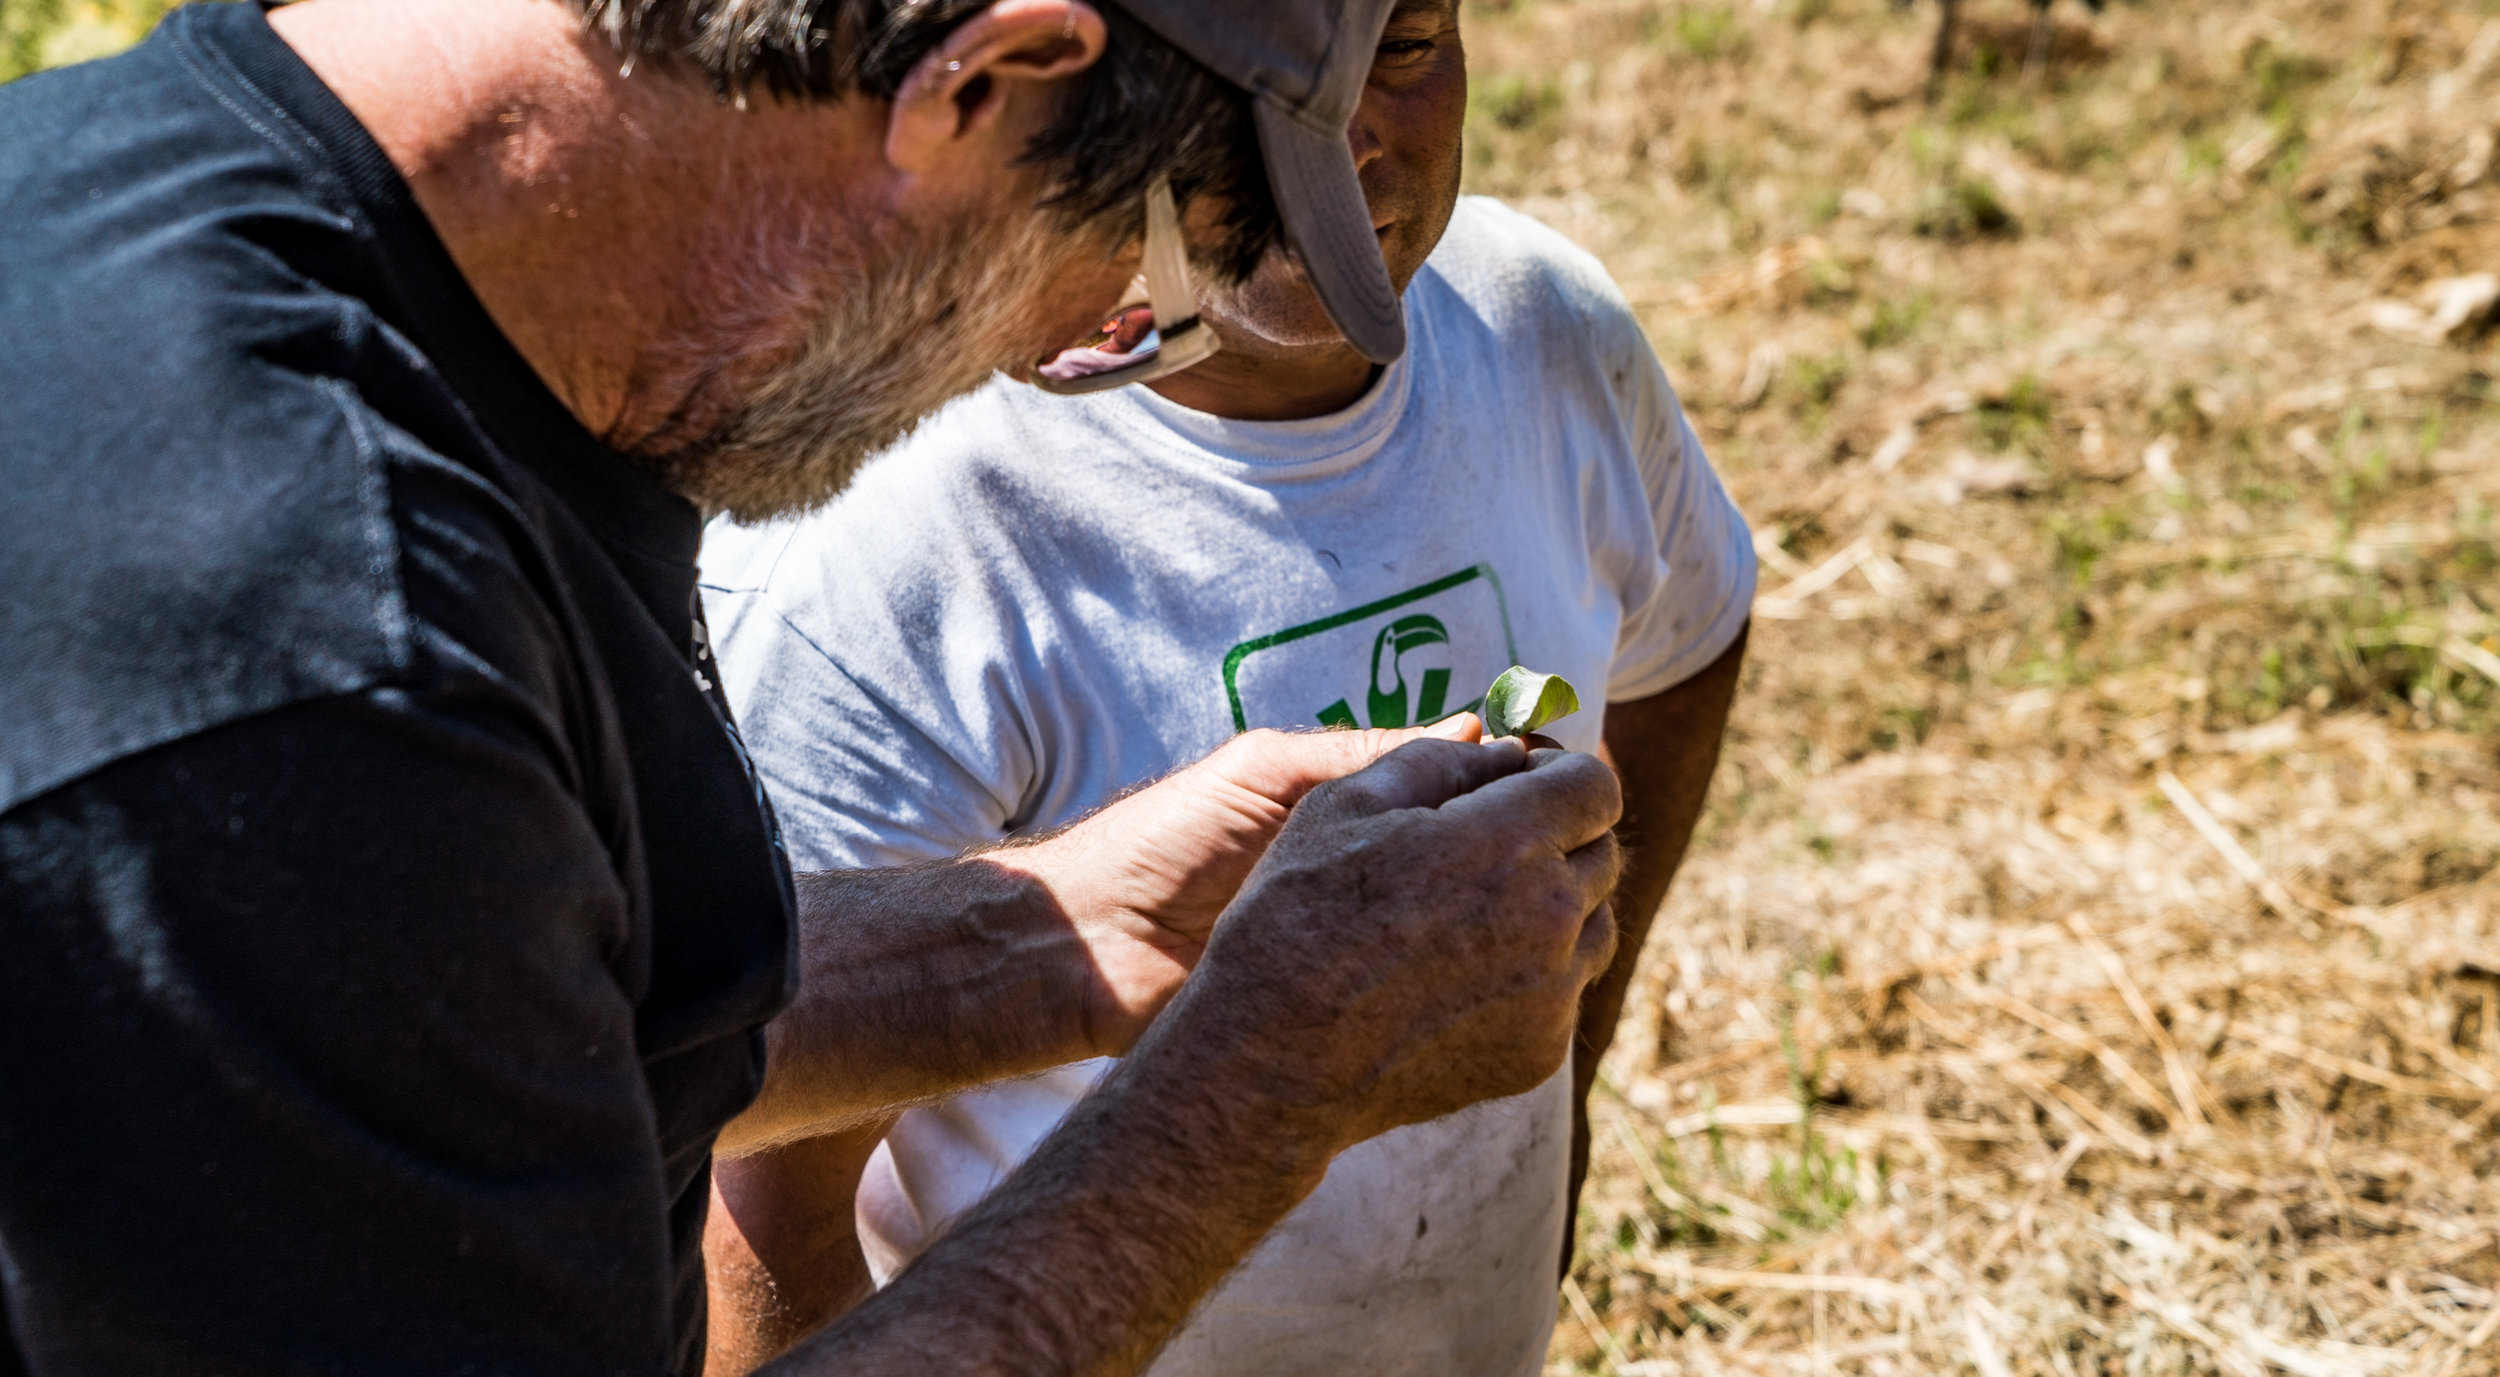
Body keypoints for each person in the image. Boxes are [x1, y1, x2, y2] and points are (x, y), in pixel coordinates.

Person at [0, 1, 1628, 1373]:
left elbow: (503, 1000)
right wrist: (1260, 1088)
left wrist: (1062, 933)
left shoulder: (254, 209)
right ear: (981, 83)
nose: (1062, 355)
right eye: (1142, 294)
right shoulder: (312, 663)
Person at [697, 0, 1755, 1371]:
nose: (1357, 131)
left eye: (1411, 43)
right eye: (1273, 89)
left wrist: (1576, 1038)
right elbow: (758, 1205)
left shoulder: (1540, 329)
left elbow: (1691, 631)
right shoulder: (898, 535)